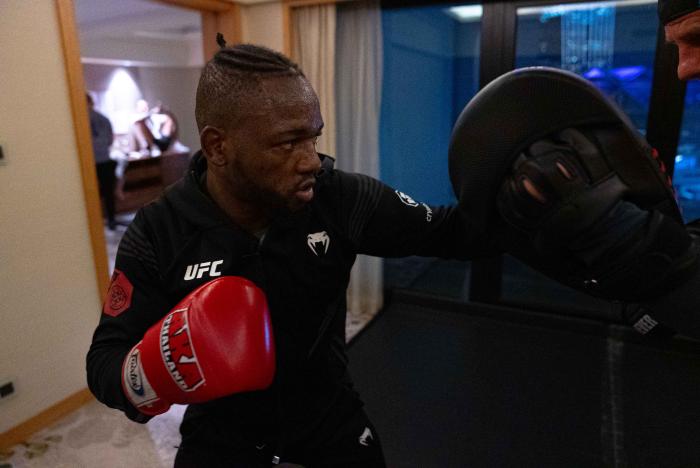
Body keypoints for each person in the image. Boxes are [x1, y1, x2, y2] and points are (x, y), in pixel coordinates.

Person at [86, 41, 499, 467]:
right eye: (287, 143)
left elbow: (454, 232)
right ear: (218, 147)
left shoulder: (339, 197)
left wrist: (526, 197)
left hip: (330, 423)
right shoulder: (159, 230)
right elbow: (104, 362)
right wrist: (157, 370)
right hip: (221, 442)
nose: (311, 161)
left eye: (313, 137)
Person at [87, 93, 117, 230]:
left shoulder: (81, 121)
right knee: (108, 193)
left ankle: (95, 224)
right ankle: (111, 220)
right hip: (105, 160)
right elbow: (110, 140)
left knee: (91, 195)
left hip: (90, 163)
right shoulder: (104, 119)